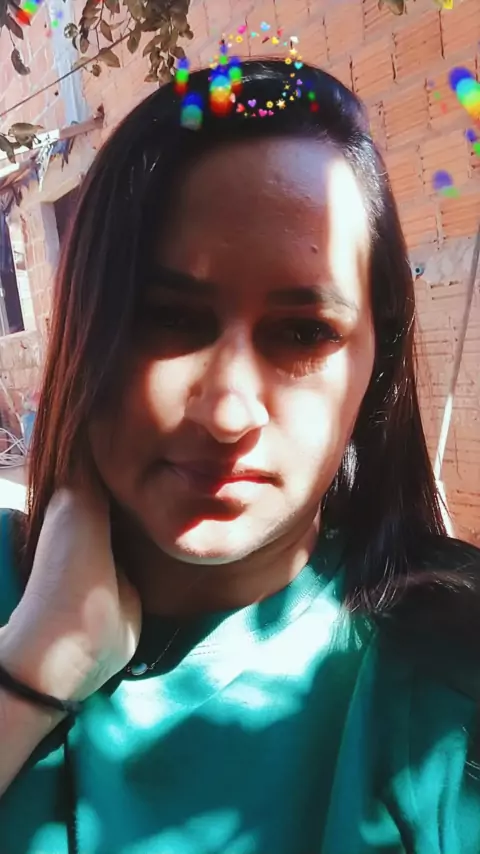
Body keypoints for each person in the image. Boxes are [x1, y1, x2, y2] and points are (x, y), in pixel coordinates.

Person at [0, 56, 480, 854]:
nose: (227, 414)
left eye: (304, 333)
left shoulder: (447, 684)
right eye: (168, 319)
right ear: (85, 327)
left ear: (378, 363)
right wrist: (30, 672)